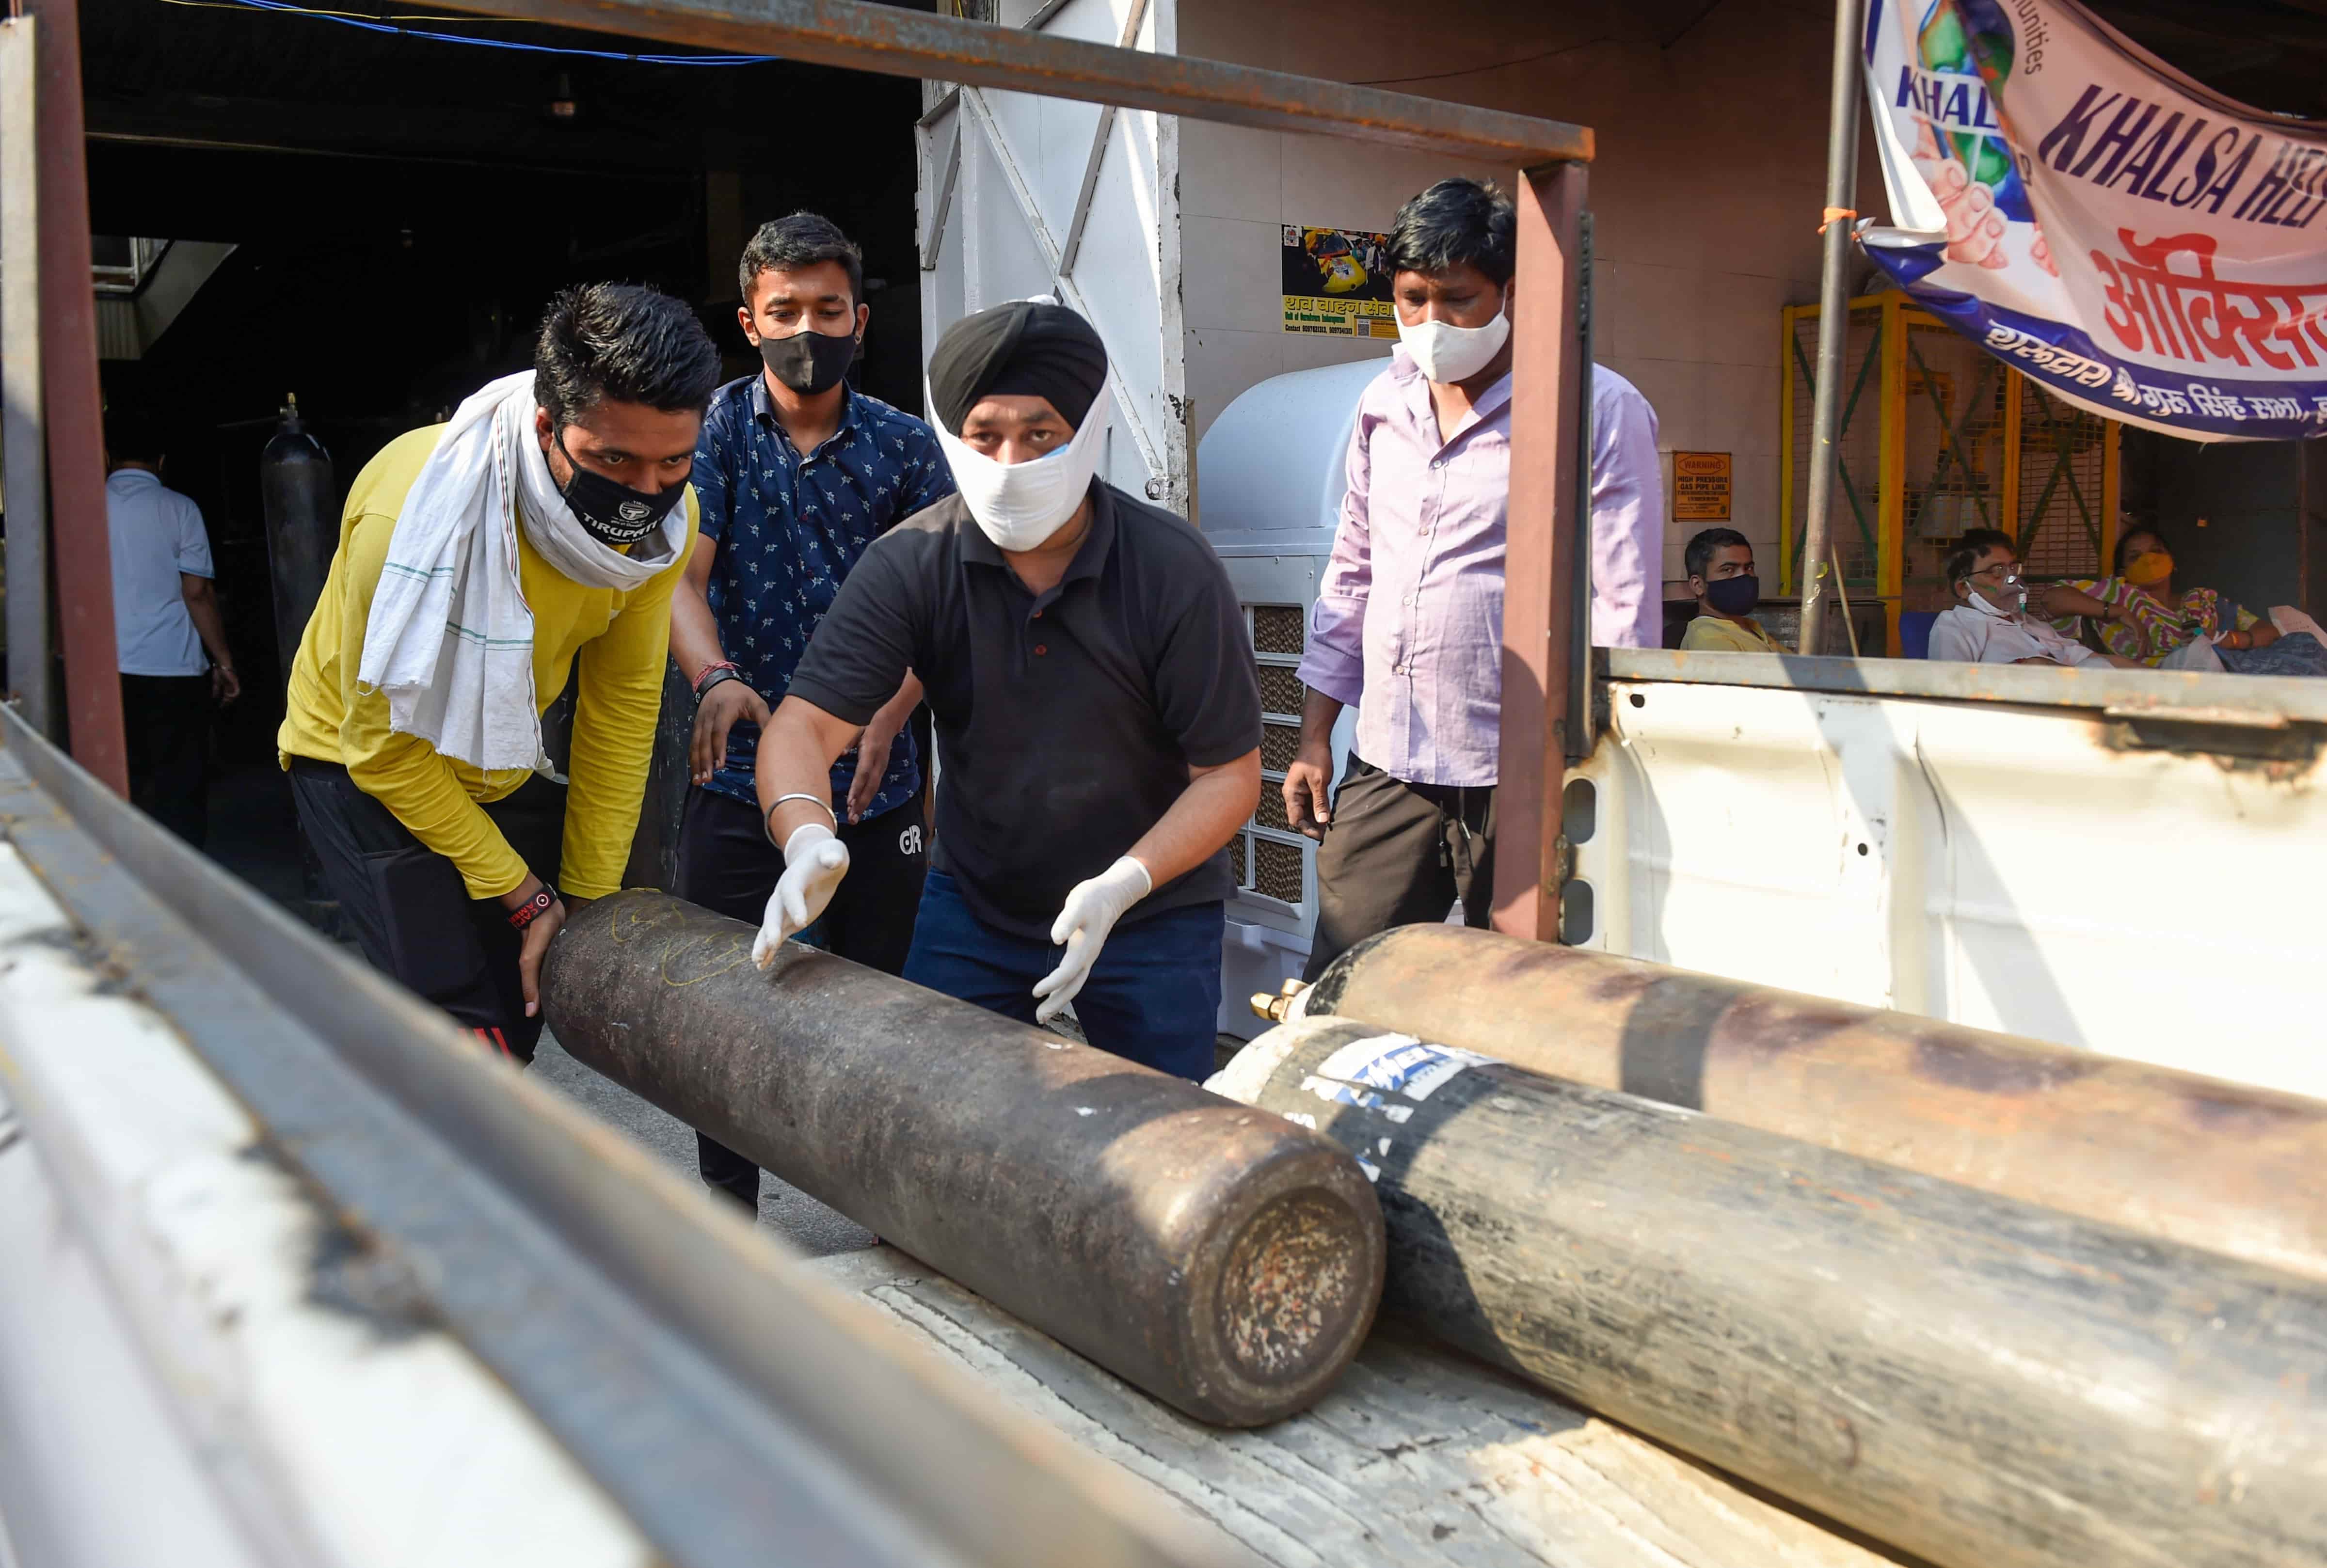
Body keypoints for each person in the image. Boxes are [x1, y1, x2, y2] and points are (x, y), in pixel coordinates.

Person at [747, 299, 1261, 1084]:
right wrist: (806, 834)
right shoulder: (913, 564)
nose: (1012, 461)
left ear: (1090, 432)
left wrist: (1125, 883)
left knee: (1164, 1138)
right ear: (953, 439)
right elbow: (804, 728)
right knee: (931, 1112)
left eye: (1041, 435)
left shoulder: (1173, 570)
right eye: (985, 437)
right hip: (978, 906)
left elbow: (1228, 774)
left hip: (1153, 908)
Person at [279, 283, 719, 1062]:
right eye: (613, 458)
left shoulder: (658, 537)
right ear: (548, 426)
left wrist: (581, 905)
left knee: (521, 1014)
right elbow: (381, 747)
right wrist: (524, 894)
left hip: (491, 757)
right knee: (464, 1039)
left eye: (673, 462)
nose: (643, 494)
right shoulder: (414, 516)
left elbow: (618, 715)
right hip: (357, 764)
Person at [1281, 177, 1663, 979]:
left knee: (1517, 992)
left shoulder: (1595, 409)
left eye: (1457, 299)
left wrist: (1598, 774)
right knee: (1350, 981)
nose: (1431, 323)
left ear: (1512, 293)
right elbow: (1351, 573)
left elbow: (1622, 611)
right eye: (1412, 298)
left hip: (1523, 766)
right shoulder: (1383, 404)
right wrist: (1315, 736)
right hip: (1388, 759)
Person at [671, 212, 955, 1212]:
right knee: (731, 998)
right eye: (784, 310)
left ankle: (886, 1209)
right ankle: (727, 1211)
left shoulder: (907, 448)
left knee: (886, 1002)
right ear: (748, 321)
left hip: (879, 782)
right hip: (738, 765)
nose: (807, 328)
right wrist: (715, 678)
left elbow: (940, 601)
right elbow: (677, 580)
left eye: (827, 309)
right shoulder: (707, 434)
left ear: (861, 320)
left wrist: (895, 710)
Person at [104, 406, 240, 845]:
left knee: (117, 779)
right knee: (178, 786)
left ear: (107, 456)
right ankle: (182, 882)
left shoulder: (83, 508)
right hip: (173, 669)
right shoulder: (180, 509)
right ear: (161, 460)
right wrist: (224, 661)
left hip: (106, 669)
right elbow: (197, 593)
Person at [2038, 525, 2327, 675]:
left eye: (2156, 551)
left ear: (2173, 562)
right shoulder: (2117, 593)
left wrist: (2231, 641)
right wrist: (2118, 612)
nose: (2149, 560)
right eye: (2136, 557)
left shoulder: (2202, 599)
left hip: (2227, 665)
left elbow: (2268, 631)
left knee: (2301, 643)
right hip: (2162, 679)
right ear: (2123, 571)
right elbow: (2053, 599)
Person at [1929, 535, 2140, 668]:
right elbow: (1951, 688)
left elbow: (2093, 660)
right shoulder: (1955, 626)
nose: (2011, 578)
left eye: (2013, 568)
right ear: (1964, 588)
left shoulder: (2032, 625)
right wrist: (2026, 668)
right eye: (1997, 571)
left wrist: (2161, 681)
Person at [1678, 528, 1785, 653]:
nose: (1744, 576)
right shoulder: (1710, 639)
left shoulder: (1747, 627)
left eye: (1749, 568)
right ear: (1698, 585)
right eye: (1728, 569)